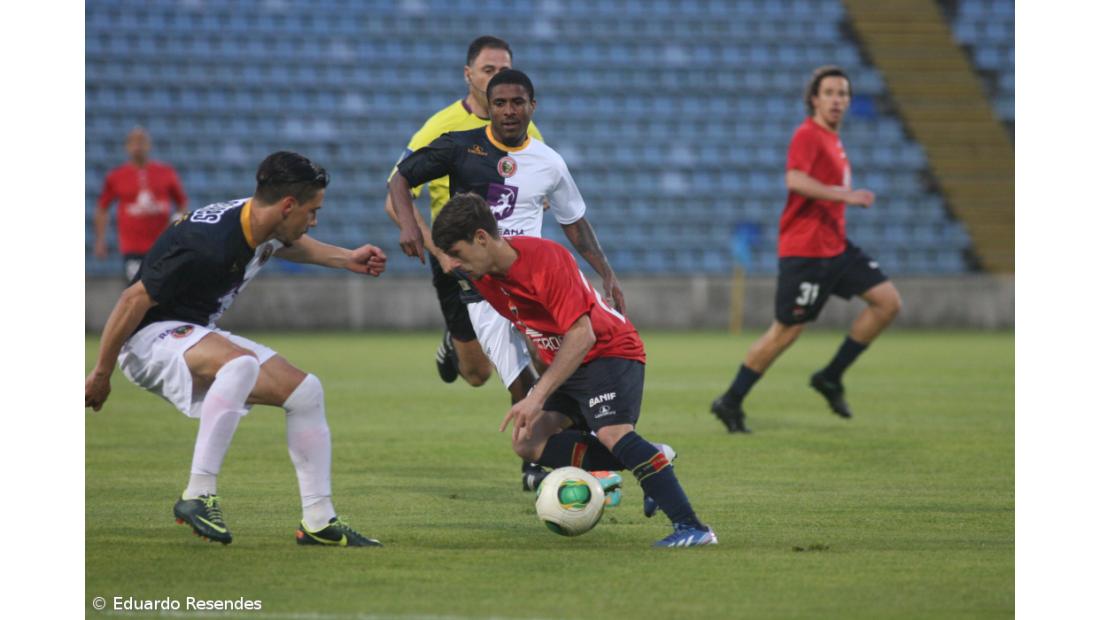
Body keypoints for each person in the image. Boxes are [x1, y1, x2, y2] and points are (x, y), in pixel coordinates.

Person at [85, 151, 387, 547]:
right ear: (287, 206)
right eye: (312, 211)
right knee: (239, 366)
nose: (314, 220)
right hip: (147, 338)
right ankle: (197, 494)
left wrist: (346, 258)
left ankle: (319, 520)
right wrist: (101, 374)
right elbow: (131, 301)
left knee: (306, 392)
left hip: (192, 332)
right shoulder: (205, 242)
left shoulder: (261, 223)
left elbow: (287, 243)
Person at [431, 193, 716, 547]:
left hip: (608, 350)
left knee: (613, 434)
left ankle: (693, 528)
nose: (452, 265)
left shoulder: (546, 261)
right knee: (527, 442)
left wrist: (536, 395)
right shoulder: (484, 277)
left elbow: (583, 334)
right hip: (569, 361)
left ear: (481, 238)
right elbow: (532, 328)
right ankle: (651, 456)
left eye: (456, 253)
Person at [389, 68, 625, 492]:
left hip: (531, 280)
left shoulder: (549, 162)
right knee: (512, 378)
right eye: (500, 103)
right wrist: (409, 226)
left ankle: (566, 456)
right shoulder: (461, 147)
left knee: (557, 364)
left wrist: (606, 272)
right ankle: (545, 458)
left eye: (518, 103)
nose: (509, 110)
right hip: (480, 285)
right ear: (489, 107)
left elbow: (574, 221)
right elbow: (402, 177)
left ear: (532, 107)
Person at [710, 66, 903, 433]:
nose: (836, 99)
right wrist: (843, 195)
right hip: (807, 253)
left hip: (837, 248)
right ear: (814, 99)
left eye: (842, 93)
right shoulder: (808, 135)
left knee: (888, 302)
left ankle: (830, 376)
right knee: (786, 332)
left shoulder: (833, 139)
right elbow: (795, 179)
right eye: (829, 92)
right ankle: (730, 400)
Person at [384, 36, 546, 391]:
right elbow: (395, 195)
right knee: (477, 374)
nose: (496, 77)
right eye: (489, 70)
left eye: (504, 70)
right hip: (456, 255)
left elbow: (543, 186)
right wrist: (439, 252)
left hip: (508, 254)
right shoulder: (441, 127)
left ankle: (551, 422)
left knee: (542, 346)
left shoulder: (524, 125)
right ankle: (454, 344)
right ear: (468, 74)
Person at [95, 127, 189, 280]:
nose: (138, 146)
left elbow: (182, 203)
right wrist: (100, 240)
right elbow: (102, 208)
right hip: (133, 246)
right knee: (136, 288)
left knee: (163, 289)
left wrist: (178, 225)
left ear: (149, 145)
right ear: (127, 147)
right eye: (133, 142)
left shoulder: (166, 173)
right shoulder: (116, 176)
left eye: (142, 142)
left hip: (162, 245)